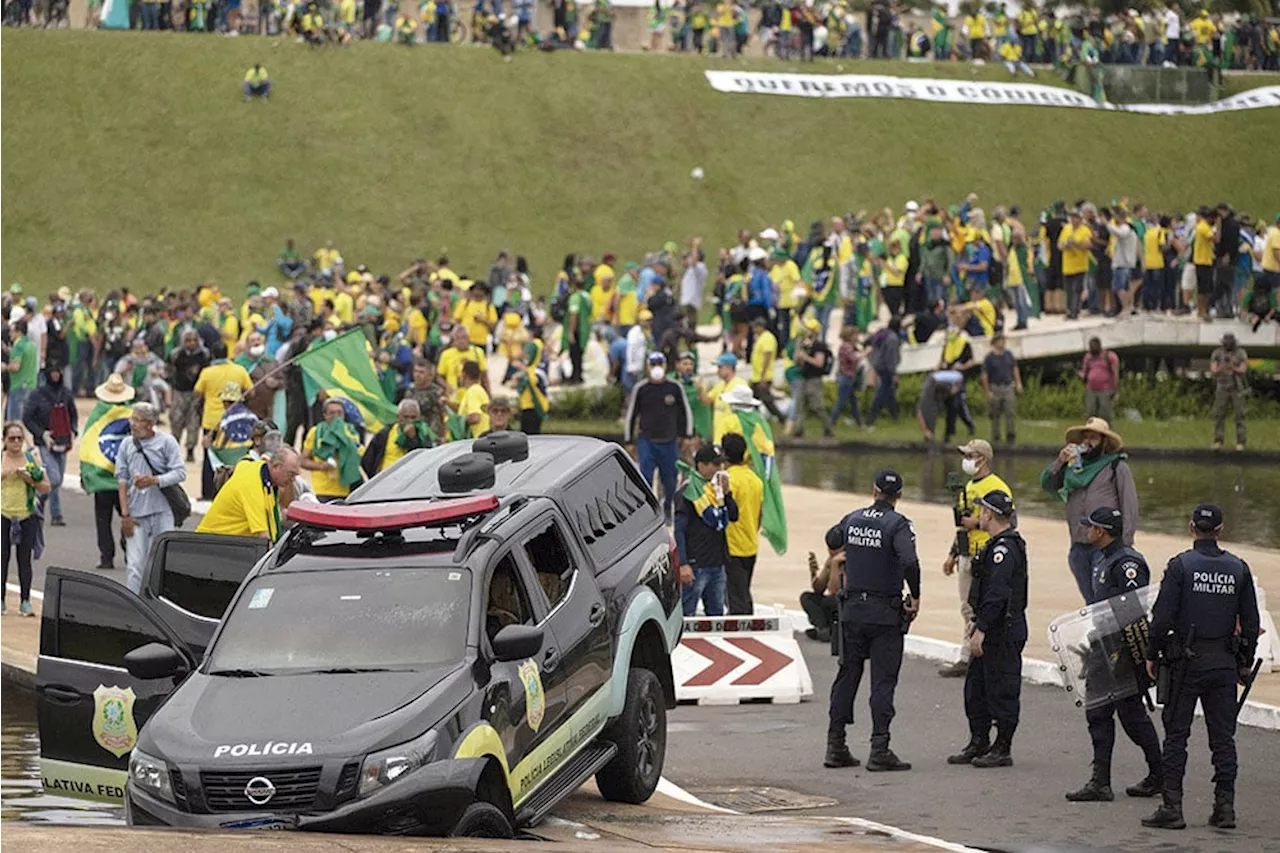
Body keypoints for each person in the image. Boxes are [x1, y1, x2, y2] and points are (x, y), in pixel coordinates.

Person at [1141, 504, 1260, 831]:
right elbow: (1251, 623)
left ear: (1191, 527)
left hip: (1185, 663)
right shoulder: (1239, 569)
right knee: (1223, 737)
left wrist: (1151, 654)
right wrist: (1244, 662)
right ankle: (1225, 807)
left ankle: (1172, 806)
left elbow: (1161, 617)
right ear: (1220, 531)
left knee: (1176, 734)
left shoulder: (1180, 567)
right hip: (1223, 663)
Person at [823, 469, 920, 772]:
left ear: (874, 489)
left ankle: (835, 745)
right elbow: (909, 561)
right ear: (899, 496)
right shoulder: (898, 524)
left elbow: (832, 537)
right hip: (884, 615)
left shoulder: (853, 518)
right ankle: (880, 749)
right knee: (883, 682)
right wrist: (915, 595)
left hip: (852, 611)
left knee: (847, 676)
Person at [1065, 507, 1163, 803]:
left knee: (1128, 714)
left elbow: (1133, 608)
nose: (1087, 531)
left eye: (1092, 527)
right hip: (1102, 644)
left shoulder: (1127, 563)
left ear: (1103, 531)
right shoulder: (1100, 557)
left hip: (1120, 648)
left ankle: (1155, 774)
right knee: (1100, 712)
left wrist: (1127, 651)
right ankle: (1102, 779)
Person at [947, 490, 1026, 769]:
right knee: (976, 689)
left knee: (1002, 688)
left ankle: (1002, 746)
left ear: (989, 514)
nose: (978, 515)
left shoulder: (1004, 549)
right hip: (988, 624)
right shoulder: (994, 545)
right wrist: (973, 620)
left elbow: (998, 593)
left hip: (1002, 629)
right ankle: (978, 741)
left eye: (981, 511)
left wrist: (981, 628)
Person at [1041, 417, 1139, 602]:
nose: (1087, 442)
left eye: (1093, 438)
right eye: (1085, 437)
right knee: (1091, 601)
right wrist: (1060, 462)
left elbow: (1130, 506)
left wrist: (1125, 545)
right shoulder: (1073, 467)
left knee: (1107, 600)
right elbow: (1050, 484)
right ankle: (1097, 630)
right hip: (1079, 545)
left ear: (1104, 442)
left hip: (1106, 547)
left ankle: (1109, 631)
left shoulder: (1116, 466)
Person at [938, 439, 1012, 678]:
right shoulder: (968, 487)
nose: (967, 459)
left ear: (983, 458)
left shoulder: (996, 486)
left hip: (986, 551)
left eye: (970, 455)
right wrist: (953, 554)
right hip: (967, 553)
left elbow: (1007, 520)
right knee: (967, 606)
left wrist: (977, 522)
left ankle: (973, 653)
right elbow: (962, 524)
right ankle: (969, 652)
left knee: (984, 604)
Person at [114, 403, 185, 595]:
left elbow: (180, 473)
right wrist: (125, 515)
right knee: (135, 564)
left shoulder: (167, 442)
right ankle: (135, 606)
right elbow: (121, 481)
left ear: (150, 423)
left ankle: (161, 602)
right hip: (136, 514)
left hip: (163, 511)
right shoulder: (126, 445)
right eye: (132, 419)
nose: (133, 424)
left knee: (163, 560)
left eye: (138, 420)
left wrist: (155, 480)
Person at [623, 353, 692, 522]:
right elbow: (631, 415)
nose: (656, 368)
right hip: (646, 441)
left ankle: (667, 507)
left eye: (659, 364)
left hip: (669, 442)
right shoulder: (641, 388)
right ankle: (648, 512)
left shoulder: (675, 387)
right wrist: (629, 440)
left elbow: (685, 413)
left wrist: (687, 436)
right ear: (648, 367)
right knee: (645, 477)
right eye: (653, 364)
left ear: (665, 365)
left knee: (669, 480)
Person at [674, 445, 737, 618]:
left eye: (720, 465)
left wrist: (727, 494)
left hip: (717, 563)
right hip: (696, 564)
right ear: (701, 465)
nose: (719, 470)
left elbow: (733, 516)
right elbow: (679, 530)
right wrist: (683, 563)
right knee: (687, 615)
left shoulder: (715, 492)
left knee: (716, 615)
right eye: (714, 465)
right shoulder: (688, 491)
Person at [197, 448, 301, 542]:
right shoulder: (253, 486)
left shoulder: (261, 472)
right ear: (276, 466)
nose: (293, 480)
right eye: (291, 474)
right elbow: (263, 537)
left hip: (230, 543)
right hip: (212, 543)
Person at [0, 421, 50, 617]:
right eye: (12, 438)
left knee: (24, 559)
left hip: (26, 515)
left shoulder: (30, 459)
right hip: (3, 514)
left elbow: (46, 487)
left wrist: (29, 479)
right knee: (2, 558)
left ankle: (25, 601)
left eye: (19, 438)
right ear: (4, 440)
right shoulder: (2, 459)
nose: (16, 442)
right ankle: (1, 599)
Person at [22, 363, 76, 528]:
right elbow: (28, 418)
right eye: (52, 373)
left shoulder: (65, 393)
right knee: (54, 478)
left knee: (57, 480)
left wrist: (73, 430)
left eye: (57, 373)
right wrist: (42, 434)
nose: (55, 376)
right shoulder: (37, 395)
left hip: (63, 440)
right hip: (45, 442)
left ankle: (47, 507)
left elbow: (72, 413)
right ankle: (52, 510)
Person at [721, 433, 763, 615]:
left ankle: (743, 636)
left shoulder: (726, 480)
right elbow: (759, 513)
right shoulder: (756, 480)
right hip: (751, 544)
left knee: (736, 599)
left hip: (732, 546)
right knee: (743, 593)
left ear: (724, 454)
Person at [301, 397, 365, 502]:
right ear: (325, 415)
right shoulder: (316, 432)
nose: (336, 417)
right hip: (322, 490)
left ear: (344, 415)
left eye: (339, 413)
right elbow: (303, 461)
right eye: (331, 413)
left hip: (346, 489)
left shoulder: (351, 432)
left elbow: (357, 455)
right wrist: (322, 466)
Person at [361, 398, 435, 476]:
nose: (409, 421)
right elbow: (368, 459)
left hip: (408, 477)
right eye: (405, 417)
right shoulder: (385, 433)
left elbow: (423, 460)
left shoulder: (423, 435)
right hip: (384, 478)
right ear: (398, 416)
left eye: (413, 417)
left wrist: (413, 439)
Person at [791, 319, 833, 438]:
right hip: (804, 378)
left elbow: (819, 363)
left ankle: (828, 428)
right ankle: (798, 430)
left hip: (814, 379)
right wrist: (798, 347)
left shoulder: (819, 346)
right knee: (800, 404)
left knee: (818, 405)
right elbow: (796, 360)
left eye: (808, 329)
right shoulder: (805, 345)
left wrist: (806, 357)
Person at [980, 333, 1022, 444]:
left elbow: (1015, 368)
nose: (1002, 343)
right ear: (994, 343)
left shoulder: (1009, 355)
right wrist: (987, 390)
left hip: (1008, 385)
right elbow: (985, 375)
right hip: (995, 387)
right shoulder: (989, 358)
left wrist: (1018, 383)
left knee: (1010, 411)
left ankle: (1010, 435)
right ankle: (996, 436)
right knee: (995, 413)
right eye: (1000, 341)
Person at [1209, 333, 1247, 451]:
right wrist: (1222, 367)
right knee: (1219, 414)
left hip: (1237, 386)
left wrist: (1233, 367)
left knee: (1240, 414)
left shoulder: (1240, 353)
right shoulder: (1217, 353)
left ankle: (1240, 442)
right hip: (1222, 386)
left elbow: (1243, 369)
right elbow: (1213, 370)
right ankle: (1218, 440)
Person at [865, 317, 902, 426]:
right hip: (886, 367)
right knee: (883, 391)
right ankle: (872, 416)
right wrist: (894, 373)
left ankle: (894, 414)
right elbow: (891, 357)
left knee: (890, 391)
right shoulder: (893, 338)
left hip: (877, 363)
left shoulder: (883, 333)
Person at [801, 550, 841, 645]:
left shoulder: (847, 559)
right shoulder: (831, 559)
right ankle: (823, 629)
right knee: (806, 597)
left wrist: (835, 565)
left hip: (845, 603)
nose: (830, 552)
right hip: (832, 604)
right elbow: (819, 589)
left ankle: (831, 631)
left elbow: (835, 591)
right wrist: (813, 573)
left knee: (831, 601)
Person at [1080, 337, 1120, 422]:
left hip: (1105, 389)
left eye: (1093, 347)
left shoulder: (1109, 356)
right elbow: (1085, 372)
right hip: (1091, 389)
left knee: (1105, 413)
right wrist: (1081, 375)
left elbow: (1115, 373)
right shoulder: (1088, 357)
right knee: (1090, 413)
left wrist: (1115, 389)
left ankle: (1107, 431)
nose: (1091, 349)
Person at [458, 360, 491, 438]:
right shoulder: (478, 390)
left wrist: (457, 421)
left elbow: (475, 417)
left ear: (464, 374)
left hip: (476, 439)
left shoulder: (473, 391)